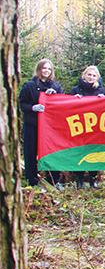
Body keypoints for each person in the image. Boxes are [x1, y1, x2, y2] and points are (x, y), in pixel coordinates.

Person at [19, 58, 63, 187]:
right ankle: (32, 180)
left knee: (52, 152)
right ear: (39, 69)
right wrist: (33, 107)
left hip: (50, 127)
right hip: (32, 125)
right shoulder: (29, 86)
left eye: (49, 69)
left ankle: (54, 179)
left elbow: (62, 104)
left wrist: (54, 97)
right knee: (30, 152)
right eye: (44, 68)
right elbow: (22, 104)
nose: (47, 71)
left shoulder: (56, 86)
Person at [68, 65, 105, 188]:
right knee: (79, 152)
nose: (91, 77)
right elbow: (66, 107)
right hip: (79, 125)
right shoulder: (75, 90)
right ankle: (79, 180)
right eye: (89, 75)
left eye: (94, 75)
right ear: (84, 75)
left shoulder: (102, 91)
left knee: (94, 152)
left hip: (96, 126)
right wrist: (73, 100)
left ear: (97, 78)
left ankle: (93, 179)